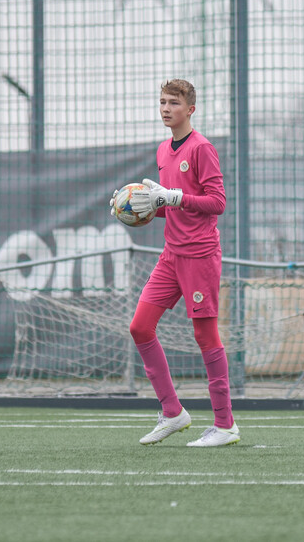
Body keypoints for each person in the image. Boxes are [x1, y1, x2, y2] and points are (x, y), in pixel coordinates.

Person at [109, 78, 238, 447]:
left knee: (205, 335)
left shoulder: (202, 148)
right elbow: (170, 206)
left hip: (199, 255)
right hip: (171, 255)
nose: (166, 108)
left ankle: (225, 425)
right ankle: (172, 413)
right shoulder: (163, 149)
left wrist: (176, 197)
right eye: (162, 101)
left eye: (174, 103)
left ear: (191, 110)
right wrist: (138, 208)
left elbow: (217, 202)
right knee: (140, 327)